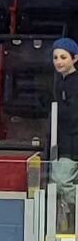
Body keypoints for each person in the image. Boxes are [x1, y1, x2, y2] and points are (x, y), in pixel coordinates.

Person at [53, 38, 77, 206]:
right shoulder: (59, 82)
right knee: (60, 183)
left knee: (61, 182)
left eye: (63, 57)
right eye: (55, 57)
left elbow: (71, 114)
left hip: (72, 143)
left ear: (74, 58)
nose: (58, 62)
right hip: (65, 143)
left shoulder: (74, 83)